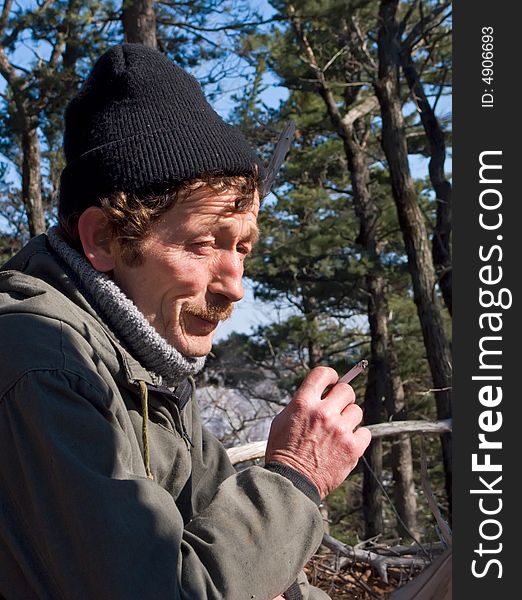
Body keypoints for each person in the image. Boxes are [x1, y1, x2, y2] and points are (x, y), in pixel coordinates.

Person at [0, 44, 371, 600]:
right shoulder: (45, 363)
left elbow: (246, 565)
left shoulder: (148, 365)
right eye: (203, 243)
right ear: (103, 238)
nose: (234, 284)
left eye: (243, 248)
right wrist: (296, 477)